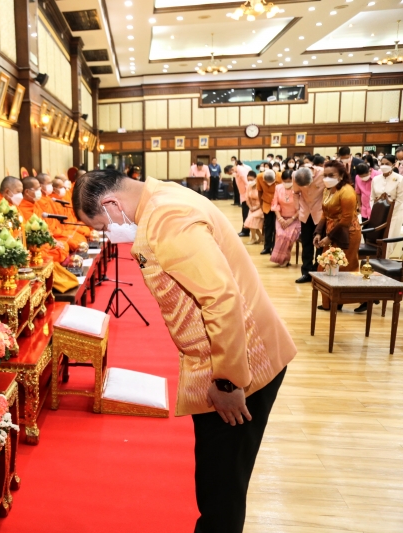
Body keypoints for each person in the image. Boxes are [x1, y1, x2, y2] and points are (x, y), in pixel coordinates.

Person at [71, 169, 296, 533]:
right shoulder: (161, 195)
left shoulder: (168, 220)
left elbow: (222, 300)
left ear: (112, 204)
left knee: (220, 490)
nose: (107, 236)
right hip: (227, 353)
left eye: (102, 227)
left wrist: (227, 383)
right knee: (218, 480)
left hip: (241, 364)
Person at [314, 160, 360, 311]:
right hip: (331, 231)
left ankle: (365, 299)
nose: (327, 178)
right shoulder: (328, 189)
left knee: (346, 269)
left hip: (347, 233)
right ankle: (331, 302)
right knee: (326, 267)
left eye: (331, 175)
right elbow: (324, 214)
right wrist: (318, 233)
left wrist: (330, 238)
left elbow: (346, 219)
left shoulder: (347, 191)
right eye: (325, 175)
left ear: (341, 175)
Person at [293, 165, 325, 283]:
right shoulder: (295, 175)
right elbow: (296, 193)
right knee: (306, 243)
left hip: (320, 212)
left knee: (320, 243)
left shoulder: (323, 174)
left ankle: (317, 271)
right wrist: (297, 209)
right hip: (305, 213)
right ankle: (306, 272)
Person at [370, 154, 403, 259]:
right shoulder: (375, 179)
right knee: (376, 239)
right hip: (378, 215)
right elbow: (372, 197)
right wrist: (375, 211)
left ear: (393, 165)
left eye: (387, 164)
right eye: (382, 164)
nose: (384, 166)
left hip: (394, 214)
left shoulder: (399, 179)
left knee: (388, 239)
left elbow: (400, 200)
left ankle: (386, 260)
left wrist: (388, 213)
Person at [270, 170, 301, 267]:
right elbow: (275, 203)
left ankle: (286, 258)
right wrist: (279, 218)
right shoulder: (278, 188)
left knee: (288, 236)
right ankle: (281, 259)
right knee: (280, 235)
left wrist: (292, 219)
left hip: (295, 218)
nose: (287, 183)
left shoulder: (298, 189)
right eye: (285, 181)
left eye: (289, 181)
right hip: (281, 217)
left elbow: (302, 206)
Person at [257, 169, 281, 255]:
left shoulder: (280, 176)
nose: (269, 184)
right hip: (267, 204)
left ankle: (274, 248)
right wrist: (261, 204)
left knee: (277, 227)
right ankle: (267, 247)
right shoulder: (259, 177)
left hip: (278, 205)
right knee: (267, 226)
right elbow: (259, 191)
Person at [244, 171, 264, 245]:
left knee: (250, 219)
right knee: (251, 222)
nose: (250, 181)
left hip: (260, 208)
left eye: (251, 180)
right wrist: (250, 207)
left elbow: (262, 199)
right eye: (248, 180)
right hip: (252, 208)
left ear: (256, 179)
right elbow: (247, 198)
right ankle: (260, 238)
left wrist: (256, 207)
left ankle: (253, 238)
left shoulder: (260, 187)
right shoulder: (248, 187)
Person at [235, 160, 251, 236]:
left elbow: (245, 182)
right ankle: (245, 230)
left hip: (246, 195)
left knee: (246, 213)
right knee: (246, 213)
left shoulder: (240, 169)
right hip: (245, 194)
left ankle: (245, 231)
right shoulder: (246, 167)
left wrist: (248, 194)